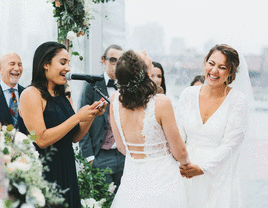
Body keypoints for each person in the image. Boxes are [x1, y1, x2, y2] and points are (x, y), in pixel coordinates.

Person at [19, 41, 106, 208]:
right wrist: (77, 117)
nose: (67, 68)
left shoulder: (65, 95)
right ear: (45, 64)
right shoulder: (31, 94)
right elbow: (41, 140)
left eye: (68, 63)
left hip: (67, 168)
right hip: (44, 172)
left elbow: (74, 137)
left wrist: (90, 116)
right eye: (62, 62)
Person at [110, 50, 189, 207]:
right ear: (145, 72)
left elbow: (121, 147)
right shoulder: (161, 102)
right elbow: (179, 152)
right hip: (163, 181)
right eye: (143, 55)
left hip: (132, 180)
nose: (145, 52)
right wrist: (186, 163)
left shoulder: (114, 100)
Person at [177, 44, 248, 207]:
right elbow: (178, 133)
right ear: (205, 63)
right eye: (211, 63)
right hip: (186, 172)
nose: (214, 70)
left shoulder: (238, 101)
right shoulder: (188, 95)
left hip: (218, 176)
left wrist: (202, 168)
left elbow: (230, 145)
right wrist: (181, 163)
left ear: (230, 72)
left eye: (222, 67)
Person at [79, 44, 125, 193]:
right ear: (103, 60)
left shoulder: (127, 87)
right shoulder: (91, 86)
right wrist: (89, 158)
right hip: (100, 155)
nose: (117, 64)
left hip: (124, 155)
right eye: (113, 60)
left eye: (120, 61)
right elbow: (82, 121)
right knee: (103, 200)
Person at [0, 52, 27, 134]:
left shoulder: (27, 93)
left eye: (19, 65)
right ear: (1, 69)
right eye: (12, 64)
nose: (17, 68)